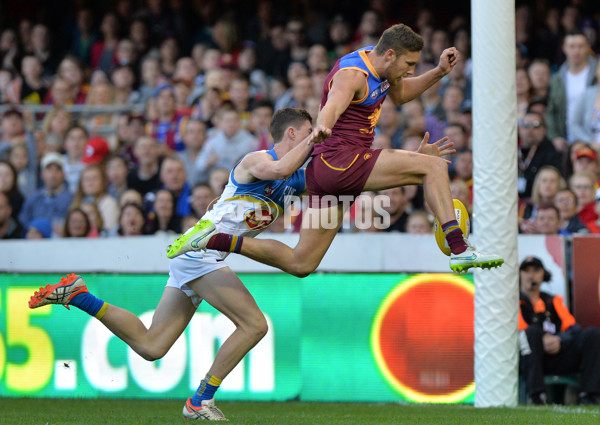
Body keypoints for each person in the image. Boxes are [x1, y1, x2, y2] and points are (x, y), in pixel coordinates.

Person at [29, 108, 329, 421]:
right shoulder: (256, 160)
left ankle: (78, 295)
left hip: (199, 253)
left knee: (151, 347)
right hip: (201, 250)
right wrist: (315, 138)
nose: (314, 137)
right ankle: (201, 399)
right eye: (308, 130)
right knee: (254, 325)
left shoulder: (295, 179)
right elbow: (280, 169)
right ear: (292, 133)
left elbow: (329, 179)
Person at [169, 24, 503, 273]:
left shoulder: (382, 64)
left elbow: (400, 95)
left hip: (327, 172)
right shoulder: (352, 74)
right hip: (341, 160)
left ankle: (221, 239)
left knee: (302, 263)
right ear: (390, 55)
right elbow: (332, 106)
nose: (410, 70)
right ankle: (459, 248)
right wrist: (323, 126)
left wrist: (439, 72)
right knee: (432, 167)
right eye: (409, 64)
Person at [519, 256, 600, 405]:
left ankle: (588, 394)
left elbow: (573, 328)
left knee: (592, 334)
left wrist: (560, 340)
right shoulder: (514, 301)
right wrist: (542, 339)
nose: (531, 275)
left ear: (543, 274)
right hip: (531, 358)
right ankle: (537, 396)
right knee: (530, 334)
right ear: (519, 275)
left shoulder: (553, 301)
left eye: (536, 271)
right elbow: (519, 329)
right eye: (526, 271)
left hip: (556, 353)